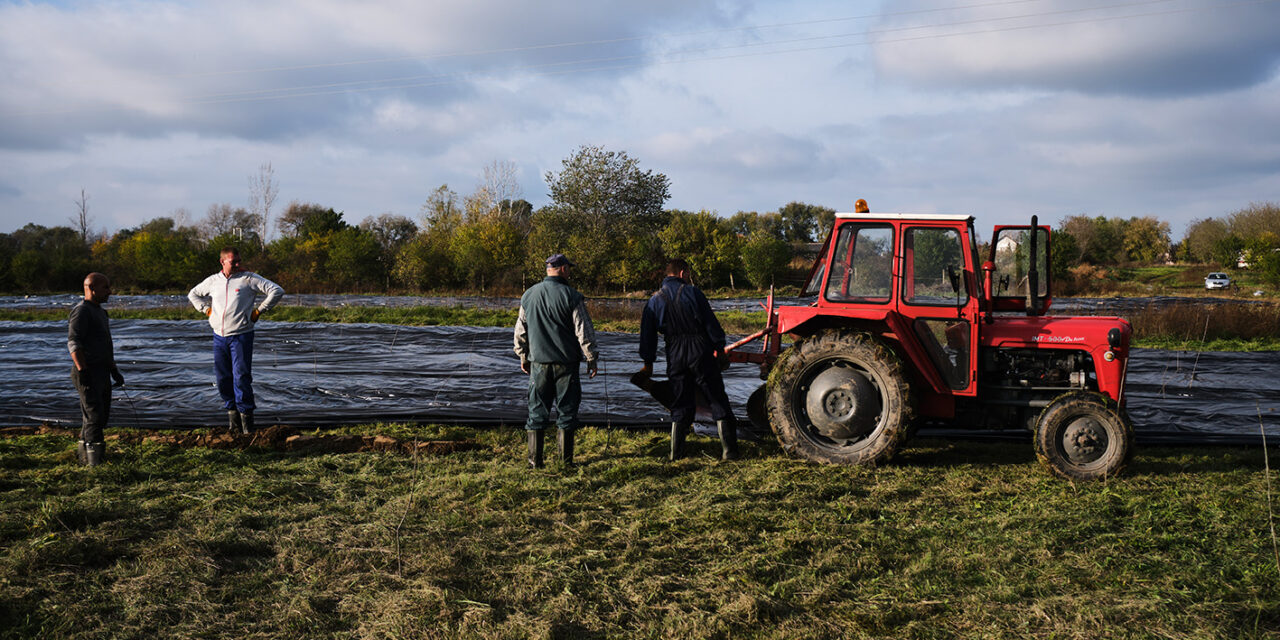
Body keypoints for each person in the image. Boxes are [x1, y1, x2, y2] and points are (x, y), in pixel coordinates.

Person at [638, 258, 739, 461]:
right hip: (699, 349)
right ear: (683, 273)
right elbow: (711, 323)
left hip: (674, 352)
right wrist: (719, 347)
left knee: (680, 400)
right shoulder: (693, 293)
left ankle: (676, 454)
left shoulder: (654, 300)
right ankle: (729, 452)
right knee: (716, 397)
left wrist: (648, 363)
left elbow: (647, 336)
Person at [513, 254, 599, 468]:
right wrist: (591, 358)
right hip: (566, 364)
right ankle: (565, 462)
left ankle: (535, 462)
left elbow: (520, 331)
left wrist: (523, 355)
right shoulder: (572, 296)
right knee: (567, 411)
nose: (569, 271)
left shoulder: (529, 295)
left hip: (538, 364)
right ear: (562, 269)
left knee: (536, 411)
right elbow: (584, 331)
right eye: (568, 268)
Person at [187, 247, 284, 434]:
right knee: (223, 378)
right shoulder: (213, 281)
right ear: (223, 262)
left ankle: (247, 421)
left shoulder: (248, 279)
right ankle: (232, 419)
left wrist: (259, 310)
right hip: (219, 336)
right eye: (234, 262)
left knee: (241, 377)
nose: (239, 264)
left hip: (241, 335)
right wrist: (206, 309)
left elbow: (277, 290)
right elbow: (193, 294)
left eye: (239, 260)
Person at [68, 272, 124, 466]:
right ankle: (94, 464)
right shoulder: (81, 311)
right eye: (105, 287)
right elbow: (74, 343)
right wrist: (82, 371)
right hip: (88, 371)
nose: (110, 291)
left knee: (99, 415)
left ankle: (84, 456)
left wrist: (114, 370)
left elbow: (105, 345)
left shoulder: (101, 312)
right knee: (94, 415)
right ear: (91, 288)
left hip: (102, 371)